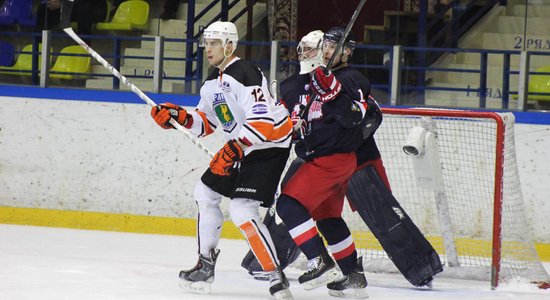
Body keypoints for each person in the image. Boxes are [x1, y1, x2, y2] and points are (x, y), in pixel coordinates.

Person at [149, 21, 294, 299]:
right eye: (206, 43)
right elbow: (205, 123)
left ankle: (275, 275)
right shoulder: (211, 82)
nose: (208, 49)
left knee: (241, 210)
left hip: (269, 146)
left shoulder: (245, 72)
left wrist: (236, 148)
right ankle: (205, 265)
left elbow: (262, 121)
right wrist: (178, 118)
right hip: (242, 146)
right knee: (204, 192)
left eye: (214, 43)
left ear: (230, 45)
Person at [274, 27, 372, 298]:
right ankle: (353, 275)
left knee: (288, 205)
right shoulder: (314, 80)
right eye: (326, 46)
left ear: (348, 51)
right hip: (327, 157)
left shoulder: (352, 78)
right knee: (327, 217)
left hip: (332, 157)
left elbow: (356, 117)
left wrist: (334, 95)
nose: (328, 51)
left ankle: (319, 259)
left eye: (335, 47)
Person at [35, 0, 107, 39]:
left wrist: (62, 4)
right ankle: (40, 44)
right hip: (73, 8)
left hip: (94, 9)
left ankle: (82, 48)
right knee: (44, 9)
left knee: (83, 10)